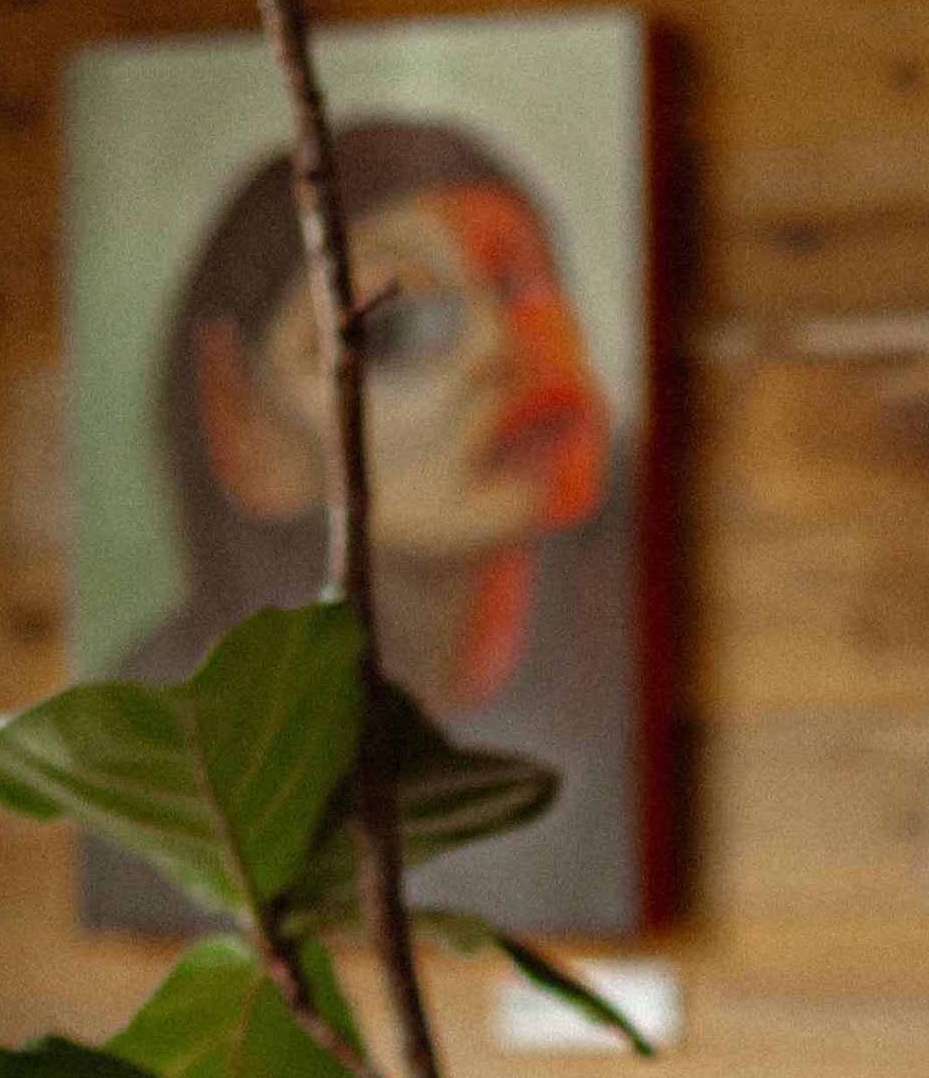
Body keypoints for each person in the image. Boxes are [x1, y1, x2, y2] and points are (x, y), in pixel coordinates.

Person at [108, 118, 644, 930]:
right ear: (243, 419)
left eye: (521, 283)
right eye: (393, 334)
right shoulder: (163, 738)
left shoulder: (637, 677)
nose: (505, 347)